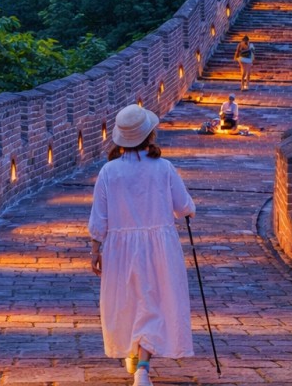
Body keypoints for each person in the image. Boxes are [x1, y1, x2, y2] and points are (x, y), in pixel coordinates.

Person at [89, 105, 195, 386]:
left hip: (120, 249)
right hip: (159, 247)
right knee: (153, 302)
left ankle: (138, 360)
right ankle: (143, 367)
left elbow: (99, 217)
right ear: (149, 135)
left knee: (128, 302)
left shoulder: (109, 171)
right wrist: (189, 210)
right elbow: (183, 206)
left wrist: (95, 250)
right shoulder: (164, 168)